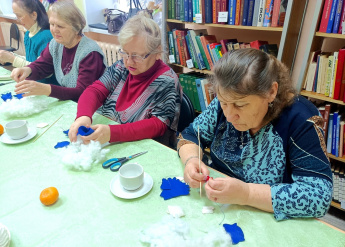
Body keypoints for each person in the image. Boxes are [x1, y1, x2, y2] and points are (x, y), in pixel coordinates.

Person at [178, 49, 333, 221]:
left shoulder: (301, 119)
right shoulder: (228, 98)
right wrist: (191, 160)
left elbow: (319, 196)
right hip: (219, 206)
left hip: (268, 216)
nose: (229, 116)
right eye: (223, 102)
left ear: (271, 92)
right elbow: (191, 135)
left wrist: (247, 193)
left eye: (241, 105)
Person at [68, 12, 182, 147]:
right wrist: (83, 116)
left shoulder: (166, 80)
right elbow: (95, 91)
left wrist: (112, 133)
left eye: (136, 56)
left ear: (157, 52)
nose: (129, 62)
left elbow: (157, 125)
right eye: (124, 53)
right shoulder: (121, 67)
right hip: (110, 140)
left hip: (143, 147)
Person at [11, 1, 107, 102]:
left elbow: (82, 92)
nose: (54, 30)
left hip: (95, 108)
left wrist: (46, 89)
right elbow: (42, 64)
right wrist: (27, 70)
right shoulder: (55, 44)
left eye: (60, 26)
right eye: (52, 24)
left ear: (76, 28)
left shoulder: (90, 53)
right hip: (71, 103)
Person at [0, 0, 56, 84]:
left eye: (19, 16)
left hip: (46, 86)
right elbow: (31, 62)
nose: (17, 19)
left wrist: (12, 59)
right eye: (15, 15)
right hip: (33, 82)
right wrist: (10, 56)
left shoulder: (46, 36)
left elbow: (43, 70)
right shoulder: (28, 34)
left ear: (34, 15)